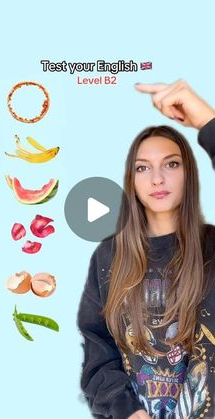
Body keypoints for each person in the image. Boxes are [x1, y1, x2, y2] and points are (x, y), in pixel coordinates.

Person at [77, 80, 215, 419]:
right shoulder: (108, 257)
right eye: (143, 167)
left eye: (171, 164)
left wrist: (208, 123)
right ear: (132, 180)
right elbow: (98, 354)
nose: (157, 178)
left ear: (189, 174)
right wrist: (128, 412)